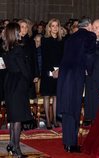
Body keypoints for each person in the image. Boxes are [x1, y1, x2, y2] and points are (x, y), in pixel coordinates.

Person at [57, 17, 96, 153]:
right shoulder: (90, 36)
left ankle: (68, 143)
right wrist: (89, 71)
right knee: (74, 108)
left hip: (64, 76)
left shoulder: (71, 37)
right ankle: (71, 144)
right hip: (76, 76)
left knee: (68, 109)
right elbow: (90, 56)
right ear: (89, 25)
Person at [3, 22, 33, 157]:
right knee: (18, 118)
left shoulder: (6, 48)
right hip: (18, 84)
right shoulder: (18, 49)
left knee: (13, 117)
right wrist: (29, 80)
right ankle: (16, 148)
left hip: (9, 83)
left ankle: (11, 144)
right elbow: (24, 70)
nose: (21, 32)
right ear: (14, 33)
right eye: (18, 30)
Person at [40, 18, 64, 129]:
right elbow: (45, 57)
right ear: (49, 28)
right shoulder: (45, 40)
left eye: (56, 25)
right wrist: (52, 70)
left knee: (56, 96)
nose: (54, 28)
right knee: (46, 96)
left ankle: (55, 119)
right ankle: (48, 121)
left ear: (59, 27)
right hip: (47, 71)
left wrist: (59, 70)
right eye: (52, 26)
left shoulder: (61, 40)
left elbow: (63, 57)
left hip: (59, 71)